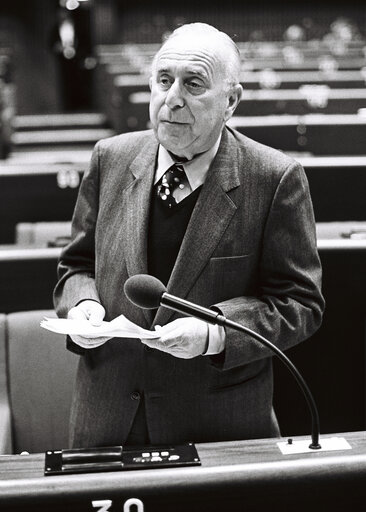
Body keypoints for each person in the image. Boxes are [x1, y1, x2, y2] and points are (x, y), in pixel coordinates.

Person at [54, 23, 324, 448]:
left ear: (231, 101)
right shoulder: (111, 157)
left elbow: (298, 303)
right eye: (164, 81)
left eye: (193, 84)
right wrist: (82, 305)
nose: (172, 99)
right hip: (107, 419)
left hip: (216, 425)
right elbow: (77, 265)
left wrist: (214, 333)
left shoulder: (273, 178)